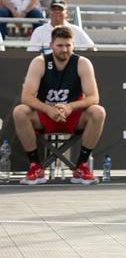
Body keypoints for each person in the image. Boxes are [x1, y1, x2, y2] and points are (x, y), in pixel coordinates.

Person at [13, 25, 105, 185]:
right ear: (51, 46)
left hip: (73, 116)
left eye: (68, 45)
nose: (64, 49)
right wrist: (48, 109)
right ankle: (35, 167)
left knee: (98, 112)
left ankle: (81, 167)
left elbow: (93, 97)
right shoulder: (40, 62)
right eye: (60, 45)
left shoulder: (82, 63)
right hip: (45, 115)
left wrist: (70, 107)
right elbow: (26, 97)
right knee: (20, 111)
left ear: (73, 45)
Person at [29, 0, 94, 52]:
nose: (57, 12)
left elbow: (92, 49)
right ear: (49, 12)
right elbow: (31, 52)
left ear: (66, 13)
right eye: (54, 9)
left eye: (60, 9)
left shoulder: (76, 30)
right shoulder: (39, 31)